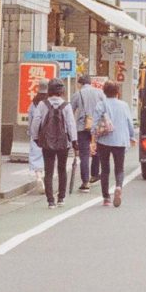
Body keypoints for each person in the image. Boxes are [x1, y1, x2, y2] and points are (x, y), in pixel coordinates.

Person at [30, 78, 78, 208]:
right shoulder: (66, 105)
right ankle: (61, 198)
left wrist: (35, 137)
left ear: (49, 90)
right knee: (62, 169)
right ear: (62, 91)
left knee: (49, 170)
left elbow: (36, 122)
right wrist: (74, 141)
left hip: (47, 141)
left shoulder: (42, 104)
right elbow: (70, 124)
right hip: (64, 142)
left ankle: (50, 200)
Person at [93, 82, 136, 208]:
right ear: (117, 92)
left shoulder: (101, 105)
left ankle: (106, 198)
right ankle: (118, 186)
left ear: (104, 92)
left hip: (104, 140)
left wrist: (93, 138)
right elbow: (129, 122)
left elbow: (95, 124)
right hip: (120, 140)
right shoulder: (124, 105)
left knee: (105, 169)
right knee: (119, 168)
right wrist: (132, 136)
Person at [71, 74, 103, 192]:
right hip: (96, 126)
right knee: (97, 150)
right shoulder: (99, 93)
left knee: (84, 154)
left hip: (82, 126)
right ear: (90, 82)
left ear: (80, 84)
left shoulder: (77, 94)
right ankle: (95, 174)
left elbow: (71, 110)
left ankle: (85, 183)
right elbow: (105, 107)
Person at [28, 79, 48, 193]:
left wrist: (30, 131)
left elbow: (31, 117)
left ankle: (38, 177)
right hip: (48, 133)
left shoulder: (34, 102)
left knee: (35, 155)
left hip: (36, 132)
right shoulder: (48, 102)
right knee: (47, 156)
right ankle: (45, 178)